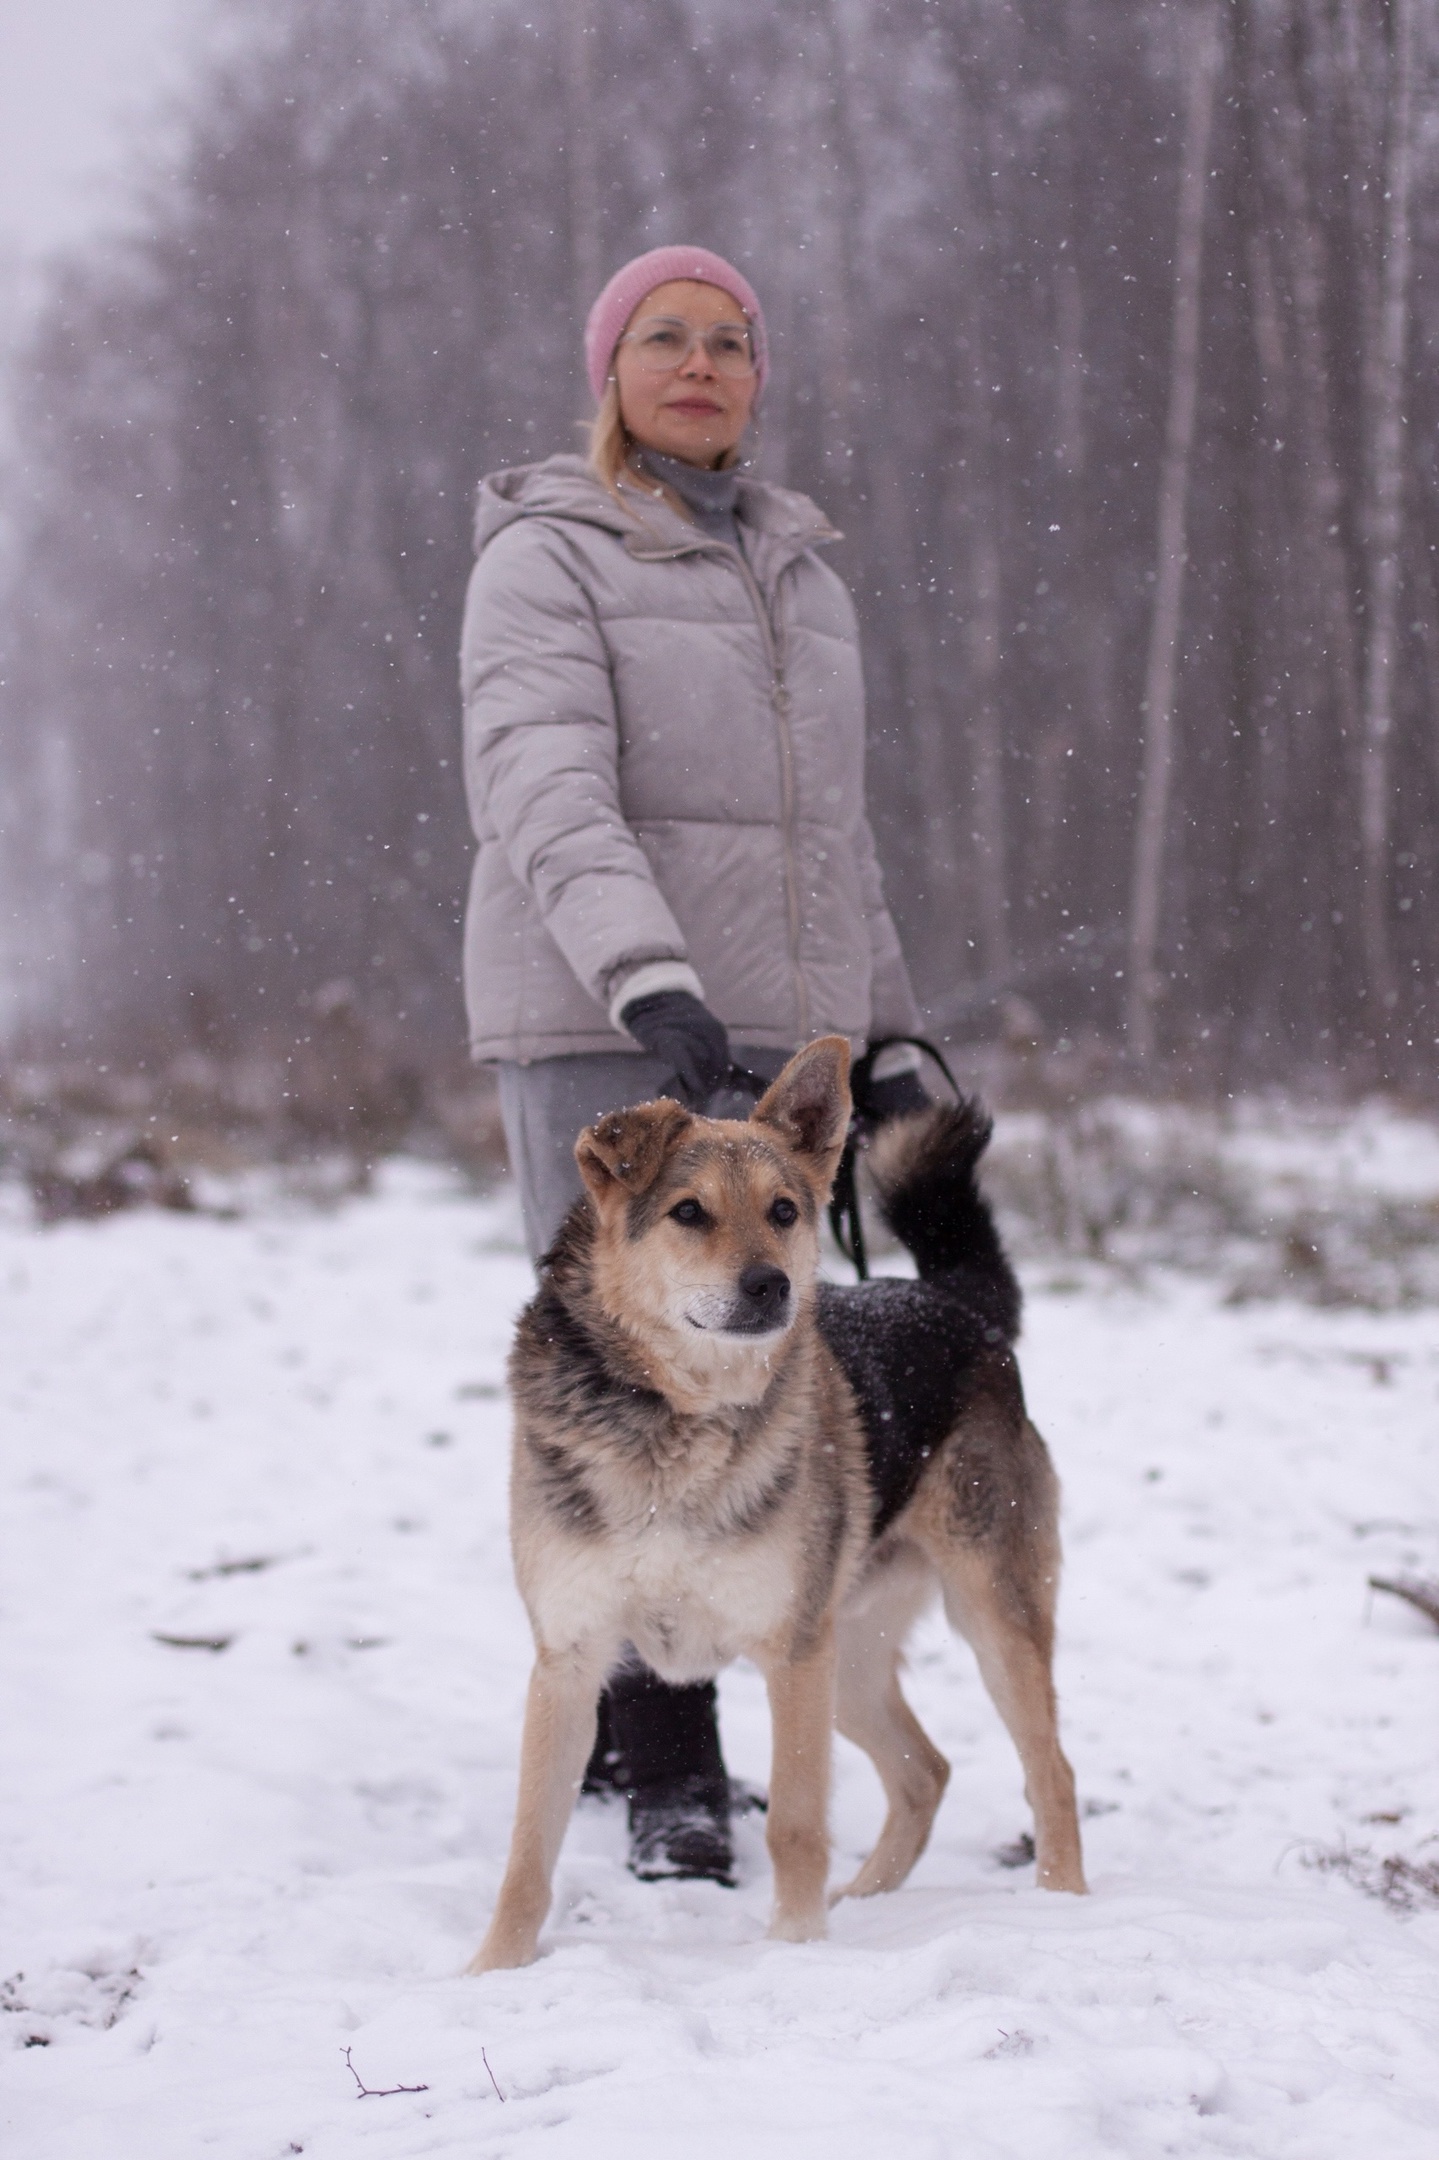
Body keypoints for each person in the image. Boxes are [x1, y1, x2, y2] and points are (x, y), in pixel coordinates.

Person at [459, 243, 927, 1886]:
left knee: (752, 1376)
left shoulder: (802, 574)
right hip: (605, 1014)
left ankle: (650, 1711)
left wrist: (885, 1027)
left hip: (770, 1037)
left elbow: (829, 843)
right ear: (611, 370)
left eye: (731, 339)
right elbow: (544, 781)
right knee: (623, 1366)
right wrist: (648, 979)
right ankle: (663, 1759)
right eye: (664, 336)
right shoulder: (547, 552)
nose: (701, 362)